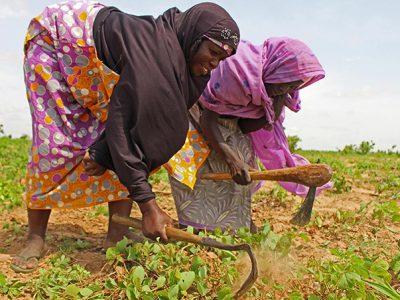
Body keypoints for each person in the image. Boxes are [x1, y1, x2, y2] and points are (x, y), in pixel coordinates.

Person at [12, 0, 239, 273]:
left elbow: (136, 126)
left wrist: (103, 152)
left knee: (127, 143)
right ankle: (36, 237)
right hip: (60, 43)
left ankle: (115, 236)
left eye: (221, 58)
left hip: (100, 64)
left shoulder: (187, 64)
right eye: (212, 52)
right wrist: (149, 207)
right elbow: (130, 126)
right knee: (55, 144)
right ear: (195, 37)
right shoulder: (155, 60)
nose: (214, 63)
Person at [165, 37, 332, 232]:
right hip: (193, 111)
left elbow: (244, 126)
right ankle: (197, 228)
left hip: (224, 119)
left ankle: (234, 226)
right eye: (286, 85)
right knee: (200, 168)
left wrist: (274, 109)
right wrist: (231, 159)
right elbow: (207, 120)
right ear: (277, 68)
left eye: (293, 87)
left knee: (243, 163)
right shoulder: (237, 72)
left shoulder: (276, 88)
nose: (287, 91)